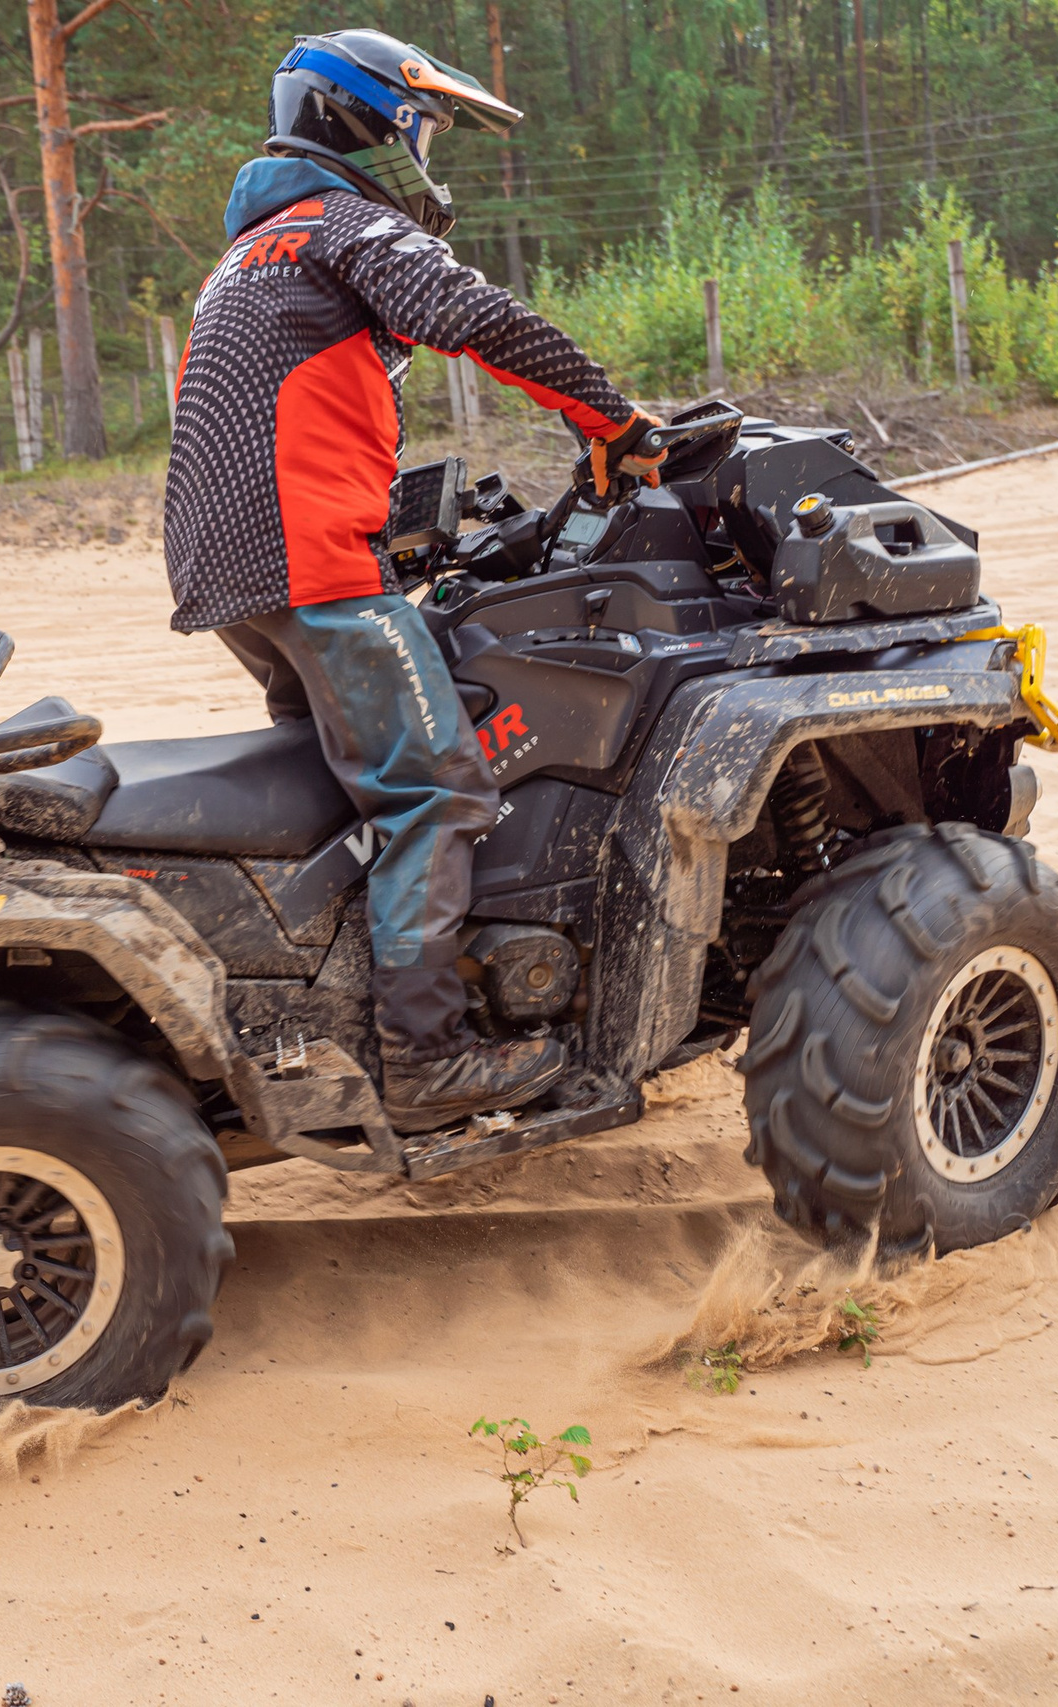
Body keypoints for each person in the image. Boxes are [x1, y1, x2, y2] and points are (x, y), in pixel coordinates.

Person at [162, 28, 669, 1133]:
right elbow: (477, 320)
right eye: (426, 126)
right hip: (312, 565)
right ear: (367, 119)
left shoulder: (251, 252)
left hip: (233, 571)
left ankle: (337, 1010)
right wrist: (613, 419)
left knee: (348, 794)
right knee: (434, 789)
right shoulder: (345, 224)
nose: (431, 151)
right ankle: (427, 1059)